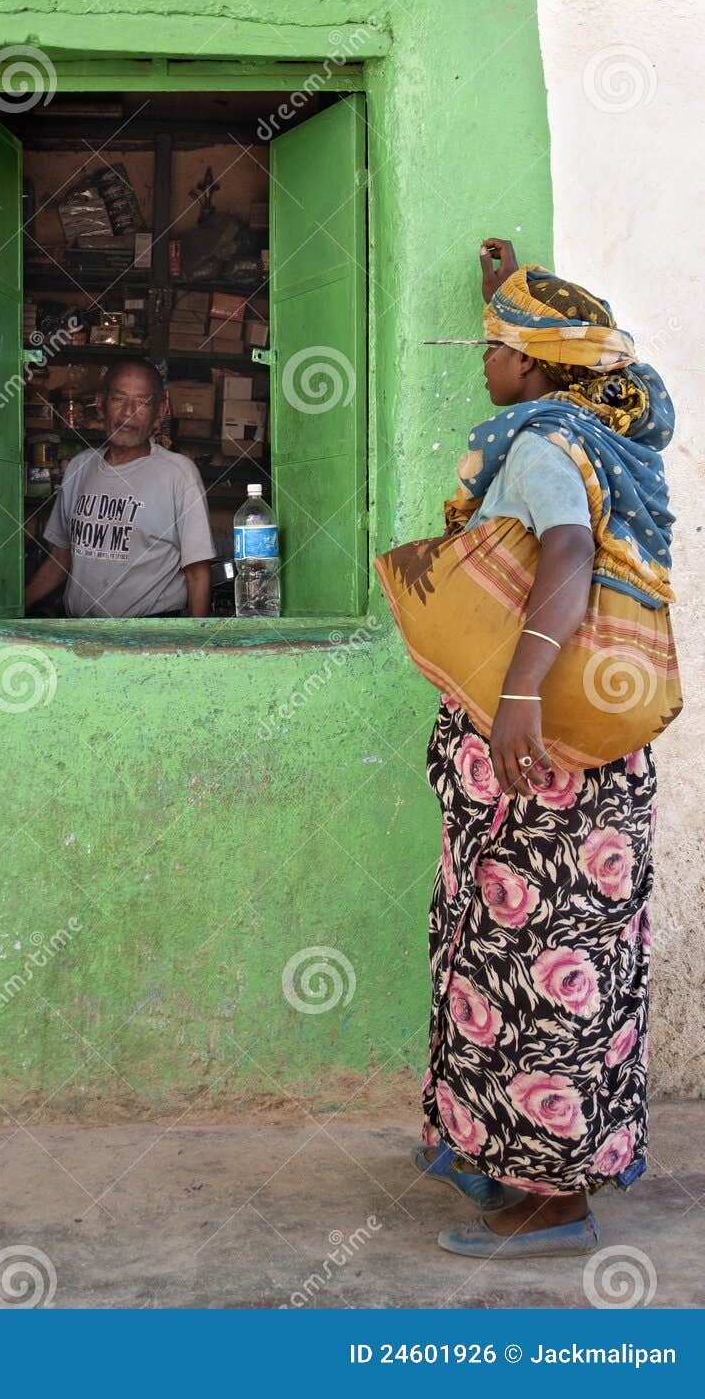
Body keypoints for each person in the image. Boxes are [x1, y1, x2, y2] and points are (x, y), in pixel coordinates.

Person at [398, 237, 677, 1258]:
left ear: (529, 364)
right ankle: (515, 1159)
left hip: (542, 755)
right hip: (588, 758)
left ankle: (552, 1200)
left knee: (532, 955)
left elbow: (562, 552)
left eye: (494, 345)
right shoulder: (599, 436)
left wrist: (515, 695)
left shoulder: (540, 447)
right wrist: (503, 291)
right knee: (548, 957)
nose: (482, 359)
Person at [24, 359, 216, 619]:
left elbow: (197, 573)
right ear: (102, 406)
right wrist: (11, 611)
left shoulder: (178, 473)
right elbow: (61, 558)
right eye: (118, 399)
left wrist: (196, 650)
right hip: (81, 636)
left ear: (159, 412)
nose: (128, 413)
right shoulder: (80, 467)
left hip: (149, 637)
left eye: (142, 402)